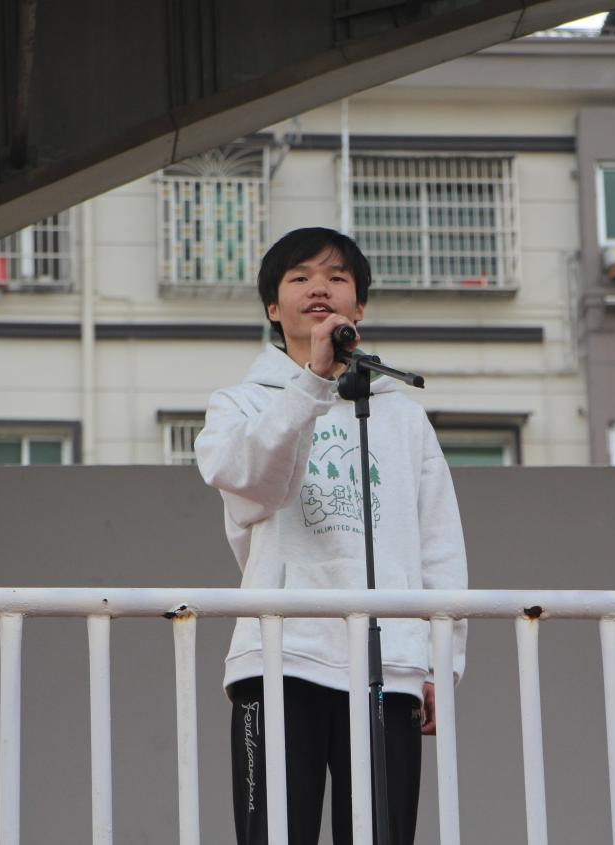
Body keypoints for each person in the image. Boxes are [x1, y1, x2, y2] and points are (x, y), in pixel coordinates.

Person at [195, 227, 468, 845]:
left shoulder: (402, 414)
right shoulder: (239, 404)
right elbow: (252, 484)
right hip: (279, 654)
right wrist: (313, 384)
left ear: (358, 308)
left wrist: (440, 660)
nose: (319, 288)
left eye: (337, 277)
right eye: (300, 278)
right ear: (273, 307)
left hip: (388, 661)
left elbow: (438, 542)